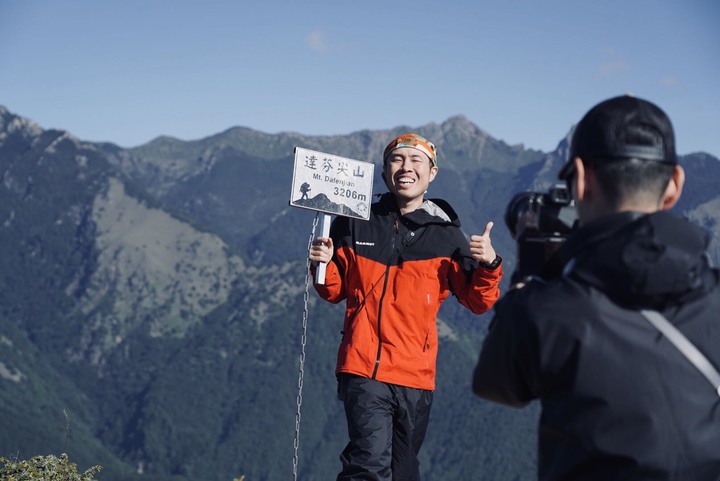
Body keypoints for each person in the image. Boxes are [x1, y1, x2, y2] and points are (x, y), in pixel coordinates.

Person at [472, 95, 720, 480]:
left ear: (582, 180)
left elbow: (495, 383)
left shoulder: (546, 308)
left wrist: (530, 273)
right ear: (674, 184)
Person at [310, 133, 503, 480]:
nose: (406, 168)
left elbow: (477, 302)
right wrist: (321, 264)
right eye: (397, 160)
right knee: (368, 466)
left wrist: (489, 265)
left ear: (432, 173)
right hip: (364, 367)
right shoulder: (356, 220)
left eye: (416, 161)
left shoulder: (447, 235)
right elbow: (334, 290)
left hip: (416, 376)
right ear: (385, 172)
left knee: (404, 472)